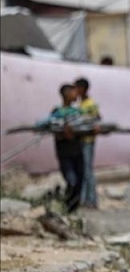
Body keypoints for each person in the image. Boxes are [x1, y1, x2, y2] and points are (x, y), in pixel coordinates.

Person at [38, 84, 85, 213]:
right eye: (73, 92)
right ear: (66, 94)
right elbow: (55, 132)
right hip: (65, 154)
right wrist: (65, 133)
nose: (76, 95)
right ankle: (66, 205)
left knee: (79, 182)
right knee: (71, 181)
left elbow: (84, 129)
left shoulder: (77, 112)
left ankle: (73, 209)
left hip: (78, 152)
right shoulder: (57, 112)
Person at [74, 77, 100, 209]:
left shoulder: (90, 103)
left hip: (88, 141)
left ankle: (92, 200)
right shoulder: (81, 104)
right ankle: (85, 199)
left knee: (88, 171)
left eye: (77, 88)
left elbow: (97, 118)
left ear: (83, 89)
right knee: (83, 170)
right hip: (81, 140)